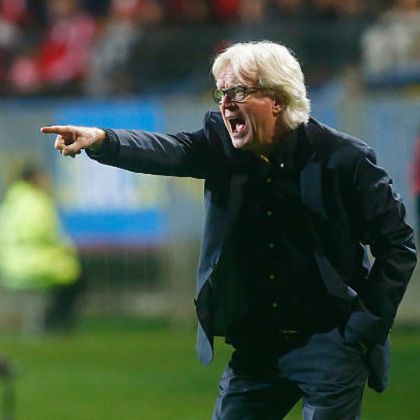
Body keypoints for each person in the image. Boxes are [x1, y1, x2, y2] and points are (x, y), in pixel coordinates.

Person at [41, 41, 417, 419]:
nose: (225, 103)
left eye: (238, 91)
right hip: (257, 346)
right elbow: (169, 149)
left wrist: (365, 327)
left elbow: (398, 244)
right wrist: (102, 140)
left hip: (331, 341)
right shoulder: (220, 143)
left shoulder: (345, 158)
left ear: (277, 99)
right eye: (221, 93)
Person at [0, 164, 83, 334]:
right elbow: (44, 233)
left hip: (9, 265)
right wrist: (66, 247)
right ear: (34, 179)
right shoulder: (37, 201)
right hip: (36, 264)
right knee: (75, 276)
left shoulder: (11, 200)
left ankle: (50, 323)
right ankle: (55, 325)